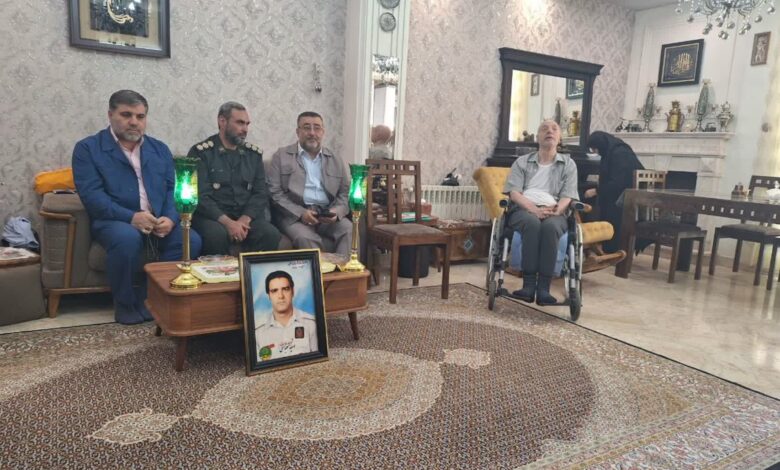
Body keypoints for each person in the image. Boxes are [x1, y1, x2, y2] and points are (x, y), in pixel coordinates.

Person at [72, 90, 202, 324]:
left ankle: (148, 296)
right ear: (110, 115)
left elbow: (173, 189)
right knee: (127, 238)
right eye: (126, 115)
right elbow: (92, 196)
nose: (134, 122)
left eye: (140, 116)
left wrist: (171, 218)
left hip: (157, 220)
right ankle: (124, 304)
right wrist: (131, 217)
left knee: (190, 239)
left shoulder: (159, 148)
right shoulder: (88, 149)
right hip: (115, 221)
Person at [188, 102, 281, 255]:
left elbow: (260, 193)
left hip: (244, 216)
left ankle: (251, 271)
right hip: (213, 218)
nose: (245, 129)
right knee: (216, 235)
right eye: (240, 123)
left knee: (270, 234)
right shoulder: (201, 153)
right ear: (222, 121)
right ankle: (220, 271)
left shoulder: (253, 155)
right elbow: (200, 195)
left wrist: (244, 220)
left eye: (247, 124)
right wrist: (228, 223)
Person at [504, 119, 578, 306]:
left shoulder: (568, 164)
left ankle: (544, 289)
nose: (549, 131)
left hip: (555, 210)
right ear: (537, 137)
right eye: (544, 129)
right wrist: (534, 210)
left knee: (551, 228)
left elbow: (568, 195)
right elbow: (514, 192)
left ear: (559, 138)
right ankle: (528, 286)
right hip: (524, 208)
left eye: (554, 129)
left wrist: (557, 210)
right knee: (532, 224)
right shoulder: (522, 162)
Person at [267, 112, 352, 256]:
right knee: (305, 237)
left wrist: (336, 212)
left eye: (317, 128)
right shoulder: (281, 156)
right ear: (298, 132)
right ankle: (320, 271)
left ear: (323, 132)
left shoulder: (335, 159)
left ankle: (342, 270)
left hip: (326, 214)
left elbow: (344, 192)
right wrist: (301, 213)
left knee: (348, 229)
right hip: (294, 216)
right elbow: (275, 193)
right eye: (306, 128)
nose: (312, 133)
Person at [584, 131, 644, 253]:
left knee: (607, 206)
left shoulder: (619, 153)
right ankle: (605, 245)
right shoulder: (613, 150)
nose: (595, 152)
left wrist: (597, 191)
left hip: (627, 197)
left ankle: (612, 248)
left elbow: (619, 182)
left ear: (600, 145)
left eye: (595, 148)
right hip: (623, 193)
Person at [254, 270, 318, 360]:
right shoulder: (258, 332)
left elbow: (318, 360)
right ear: (269, 295)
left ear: (293, 292)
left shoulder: (311, 324)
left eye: (285, 289)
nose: (281, 296)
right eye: (274, 291)